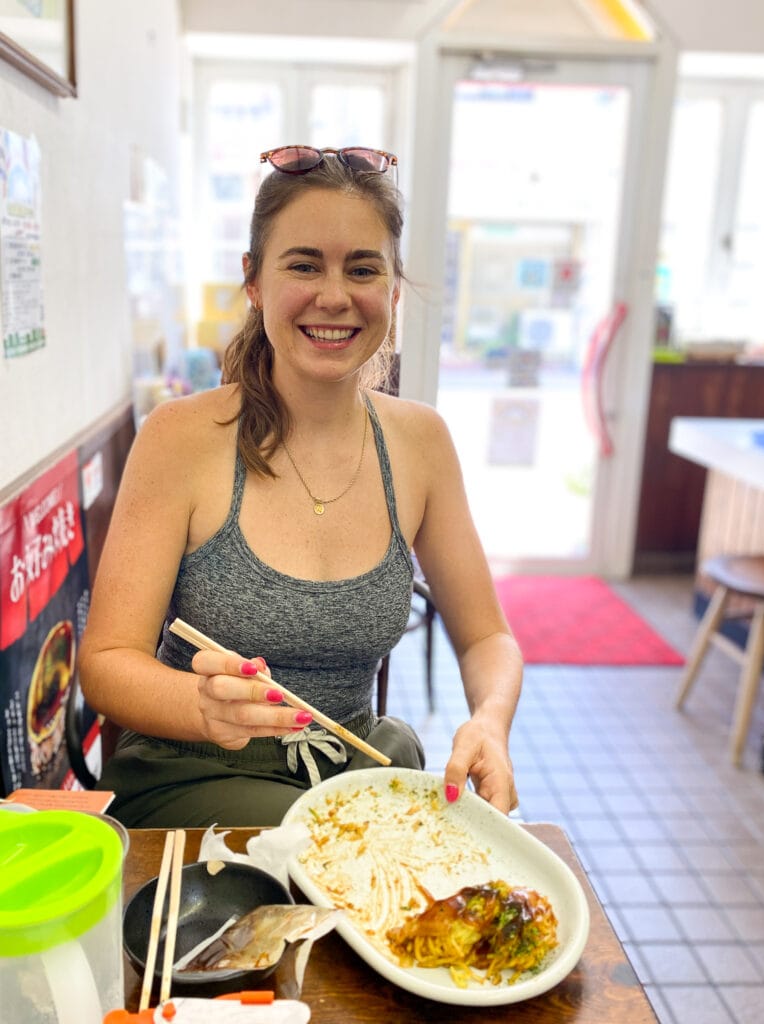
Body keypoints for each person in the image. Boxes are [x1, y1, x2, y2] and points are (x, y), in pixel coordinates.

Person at [78, 145, 523, 827]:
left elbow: (487, 636)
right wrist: (202, 706)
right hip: (189, 777)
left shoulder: (421, 443)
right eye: (304, 264)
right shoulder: (180, 439)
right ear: (254, 281)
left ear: (393, 291)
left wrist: (490, 721)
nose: (335, 296)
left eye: (363, 268)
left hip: (346, 781)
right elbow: (107, 662)